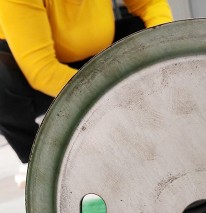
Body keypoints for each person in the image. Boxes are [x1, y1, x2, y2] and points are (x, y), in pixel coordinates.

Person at [0, 0, 173, 166]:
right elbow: (42, 72)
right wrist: (110, 92)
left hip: (95, 53)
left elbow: (150, 4)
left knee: (143, 30)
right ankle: (38, 162)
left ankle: (158, 118)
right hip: (35, 72)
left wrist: (163, 44)